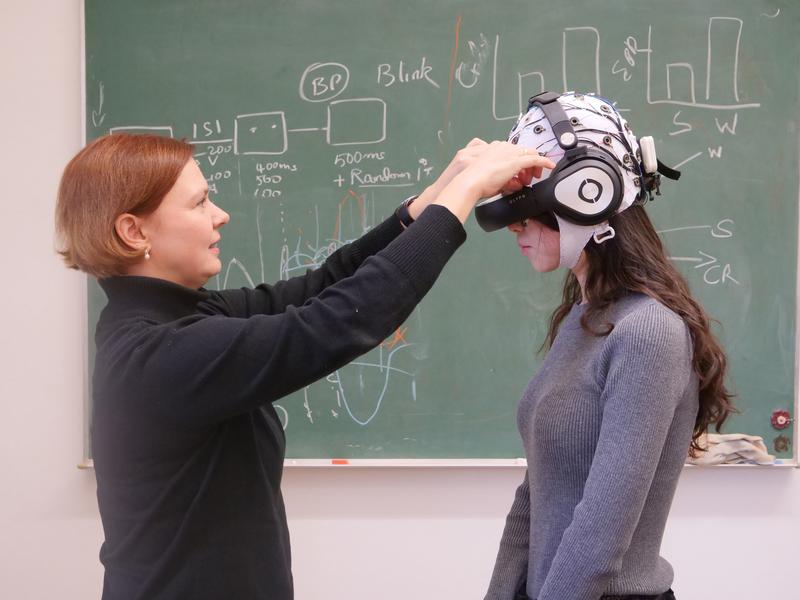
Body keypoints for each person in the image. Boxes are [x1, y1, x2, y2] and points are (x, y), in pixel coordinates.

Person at [54, 132, 554, 600]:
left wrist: (437, 193)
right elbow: (336, 322)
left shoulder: (183, 316)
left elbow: (326, 284)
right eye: (199, 202)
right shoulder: (158, 354)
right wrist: (464, 194)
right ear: (132, 230)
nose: (220, 215)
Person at [479, 92, 734, 600]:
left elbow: (601, 532)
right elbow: (535, 497)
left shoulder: (648, 332)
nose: (515, 228)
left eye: (527, 212)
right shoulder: (583, 321)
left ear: (586, 194)